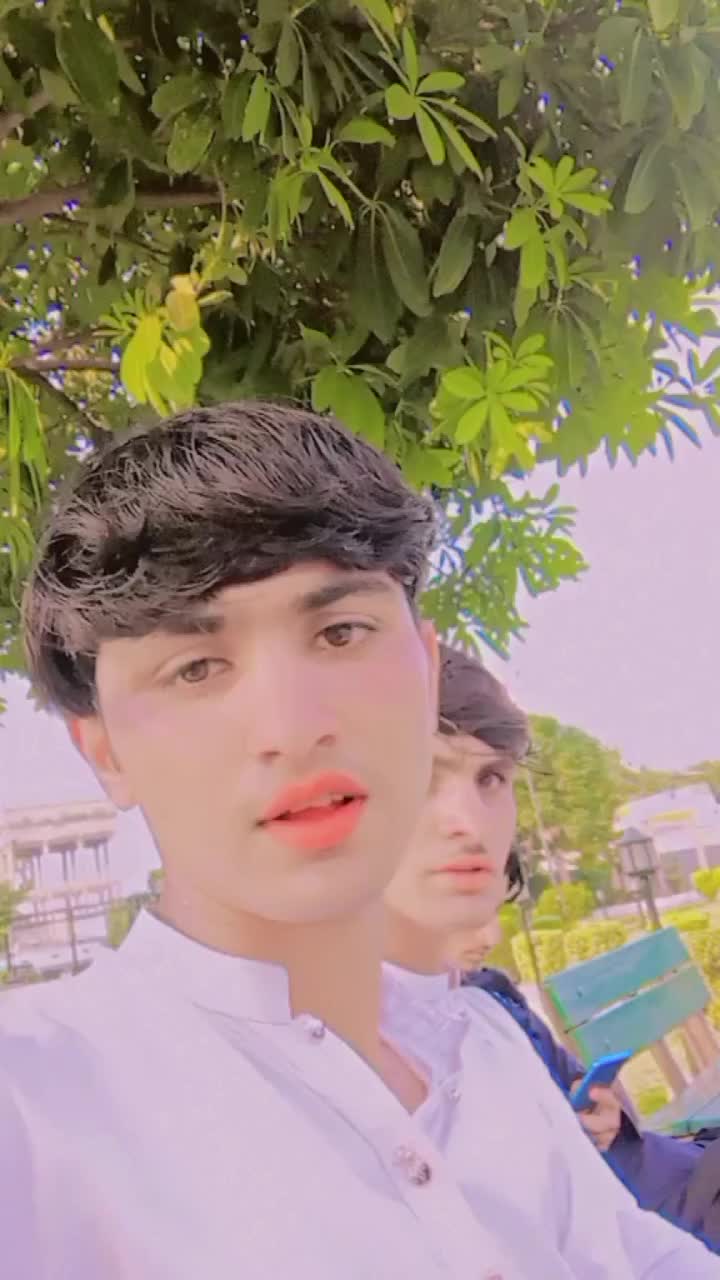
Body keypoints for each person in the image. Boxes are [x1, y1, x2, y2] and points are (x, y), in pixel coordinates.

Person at [1, 402, 716, 1278]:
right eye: (196, 668)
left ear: (427, 669)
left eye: (340, 632)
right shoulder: (39, 1113)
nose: (292, 725)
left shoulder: (484, 1049)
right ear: (106, 754)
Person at [384, 642, 719, 1247]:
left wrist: (602, 1118)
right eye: (423, 778)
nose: (468, 820)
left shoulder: (492, 1012)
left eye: (492, 777)